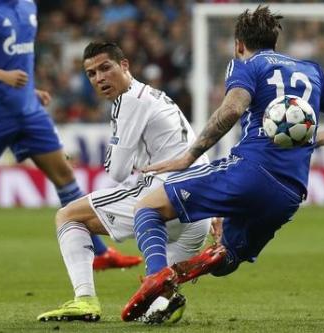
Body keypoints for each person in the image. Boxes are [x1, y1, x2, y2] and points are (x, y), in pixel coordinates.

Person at [120, 5, 324, 321]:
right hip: (291, 192)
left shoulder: (247, 64)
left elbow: (233, 109)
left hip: (252, 170)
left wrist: (189, 155)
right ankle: (209, 258)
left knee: (148, 208)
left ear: (239, 44)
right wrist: (311, 137)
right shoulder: (313, 71)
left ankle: (158, 277)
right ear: (275, 40)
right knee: (228, 258)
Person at [37, 42, 211, 323]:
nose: (99, 78)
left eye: (106, 68)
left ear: (125, 65)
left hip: (165, 193)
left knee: (68, 216)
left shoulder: (130, 99)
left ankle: (84, 301)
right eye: (91, 74)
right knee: (155, 296)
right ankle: (165, 302)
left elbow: (116, 171)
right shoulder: (155, 95)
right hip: (198, 212)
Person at [0, 0, 142, 271]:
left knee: (64, 176)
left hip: (28, 110)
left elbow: (17, 56)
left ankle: (99, 253)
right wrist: (2, 76)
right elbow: (6, 67)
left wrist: (29, 90)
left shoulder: (28, 6)